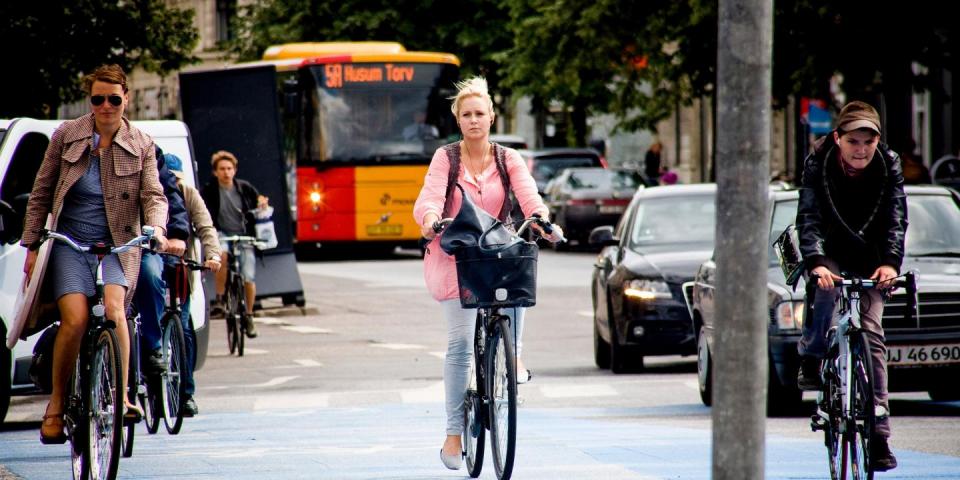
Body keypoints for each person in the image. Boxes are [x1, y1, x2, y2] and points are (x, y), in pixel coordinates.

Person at [413, 76, 563, 471]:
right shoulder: (446, 158)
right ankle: (452, 432)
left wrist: (542, 220)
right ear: (458, 120)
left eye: (480, 113)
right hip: (457, 255)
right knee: (460, 344)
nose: (474, 120)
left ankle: (513, 353)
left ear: (492, 117)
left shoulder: (507, 158)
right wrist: (430, 219)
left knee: (519, 275)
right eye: (467, 114)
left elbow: (529, 196)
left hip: (497, 251)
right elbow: (429, 197)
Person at [21, 64, 169, 444]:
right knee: (74, 318)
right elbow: (41, 193)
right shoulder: (67, 135)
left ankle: (121, 397)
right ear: (90, 100)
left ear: (126, 99)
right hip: (71, 242)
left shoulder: (142, 143)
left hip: (118, 242)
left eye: (114, 99)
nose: (106, 106)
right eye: (98, 99)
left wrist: (156, 228)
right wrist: (33, 244)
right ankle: (55, 404)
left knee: (116, 309)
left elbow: (154, 195)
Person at [795, 100, 906, 471]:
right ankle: (811, 356)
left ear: (877, 142)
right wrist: (814, 261)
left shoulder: (889, 164)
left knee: (871, 331)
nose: (861, 150)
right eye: (853, 141)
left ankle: (879, 436)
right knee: (825, 290)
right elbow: (808, 216)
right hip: (830, 248)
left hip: (874, 255)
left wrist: (890, 262)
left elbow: (896, 216)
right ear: (838, 138)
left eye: (868, 142)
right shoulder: (818, 162)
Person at [165, 153, 222, 416]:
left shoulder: (188, 193)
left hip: (182, 270)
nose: (172, 184)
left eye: (176, 179)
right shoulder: (149, 190)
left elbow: (205, 226)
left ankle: (186, 393)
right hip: (153, 263)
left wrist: (212, 255)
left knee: (184, 327)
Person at [133, 145, 190, 375]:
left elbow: (167, 196)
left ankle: (152, 346)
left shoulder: (146, 149)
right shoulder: (79, 142)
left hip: (144, 241)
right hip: (103, 243)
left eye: (115, 104)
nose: (106, 106)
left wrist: (176, 235)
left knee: (150, 275)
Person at [201, 150, 265, 338]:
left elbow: (259, 201)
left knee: (248, 277)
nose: (226, 172)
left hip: (243, 235)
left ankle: (249, 315)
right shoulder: (210, 190)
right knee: (222, 255)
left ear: (235, 170)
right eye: (222, 169)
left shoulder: (244, 188)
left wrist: (262, 202)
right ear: (215, 172)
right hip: (221, 233)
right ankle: (220, 298)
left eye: (229, 168)